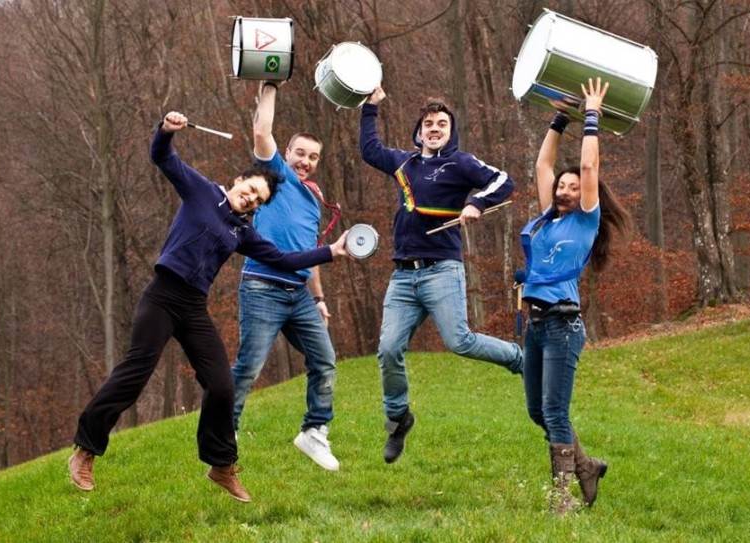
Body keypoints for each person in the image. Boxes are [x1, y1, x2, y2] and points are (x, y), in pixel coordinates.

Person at [68, 111, 350, 503]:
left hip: (193, 307)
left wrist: (330, 252)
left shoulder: (242, 231)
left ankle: (221, 465)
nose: (250, 198)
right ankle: (86, 450)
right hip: (162, 297)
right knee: (134, 374)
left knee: (221, 385)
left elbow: (283, 259)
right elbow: (163, 158)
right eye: (250, 190)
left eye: (258, 200)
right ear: (238, 181)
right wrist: (166, 130)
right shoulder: (201, 191)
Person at [359, 86, 523, 464]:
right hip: (403, 276)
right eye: (429, 124)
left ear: (451, 131)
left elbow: (504, 181)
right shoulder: (403, 163)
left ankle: (519, 359)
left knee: (459, 341)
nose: (434, 129)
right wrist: (371, 106)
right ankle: (398, 418)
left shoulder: (460, 163)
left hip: (442, 271)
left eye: (442, 124)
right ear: (419, 132)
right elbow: (369, 150)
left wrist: (476, 203)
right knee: (388, 349)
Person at [518, 78, 630, 513]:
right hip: (536, 326)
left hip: (563, 325)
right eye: (560, 186)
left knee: (555, 412)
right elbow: (542, 165)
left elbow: (588, 168)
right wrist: (560, 118)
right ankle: (586, 466)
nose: (564, 190)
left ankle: (561, 497)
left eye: (571, 187)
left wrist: (592, 115)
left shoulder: (585, 220)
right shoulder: (546, 219)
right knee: (537, 411)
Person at [230, 82, 343, 471]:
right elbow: (262, 131)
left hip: (299, 295)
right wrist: (271, 85)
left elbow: (310, 253)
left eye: (313, 157)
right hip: (261, 288)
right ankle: (223, 430)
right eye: (299, 153)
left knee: (325, 361)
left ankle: (314, 431)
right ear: (287, 153)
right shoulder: (275, 175)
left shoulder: (314, 198)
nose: (305, 161)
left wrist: (319, 298)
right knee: (249, 366)